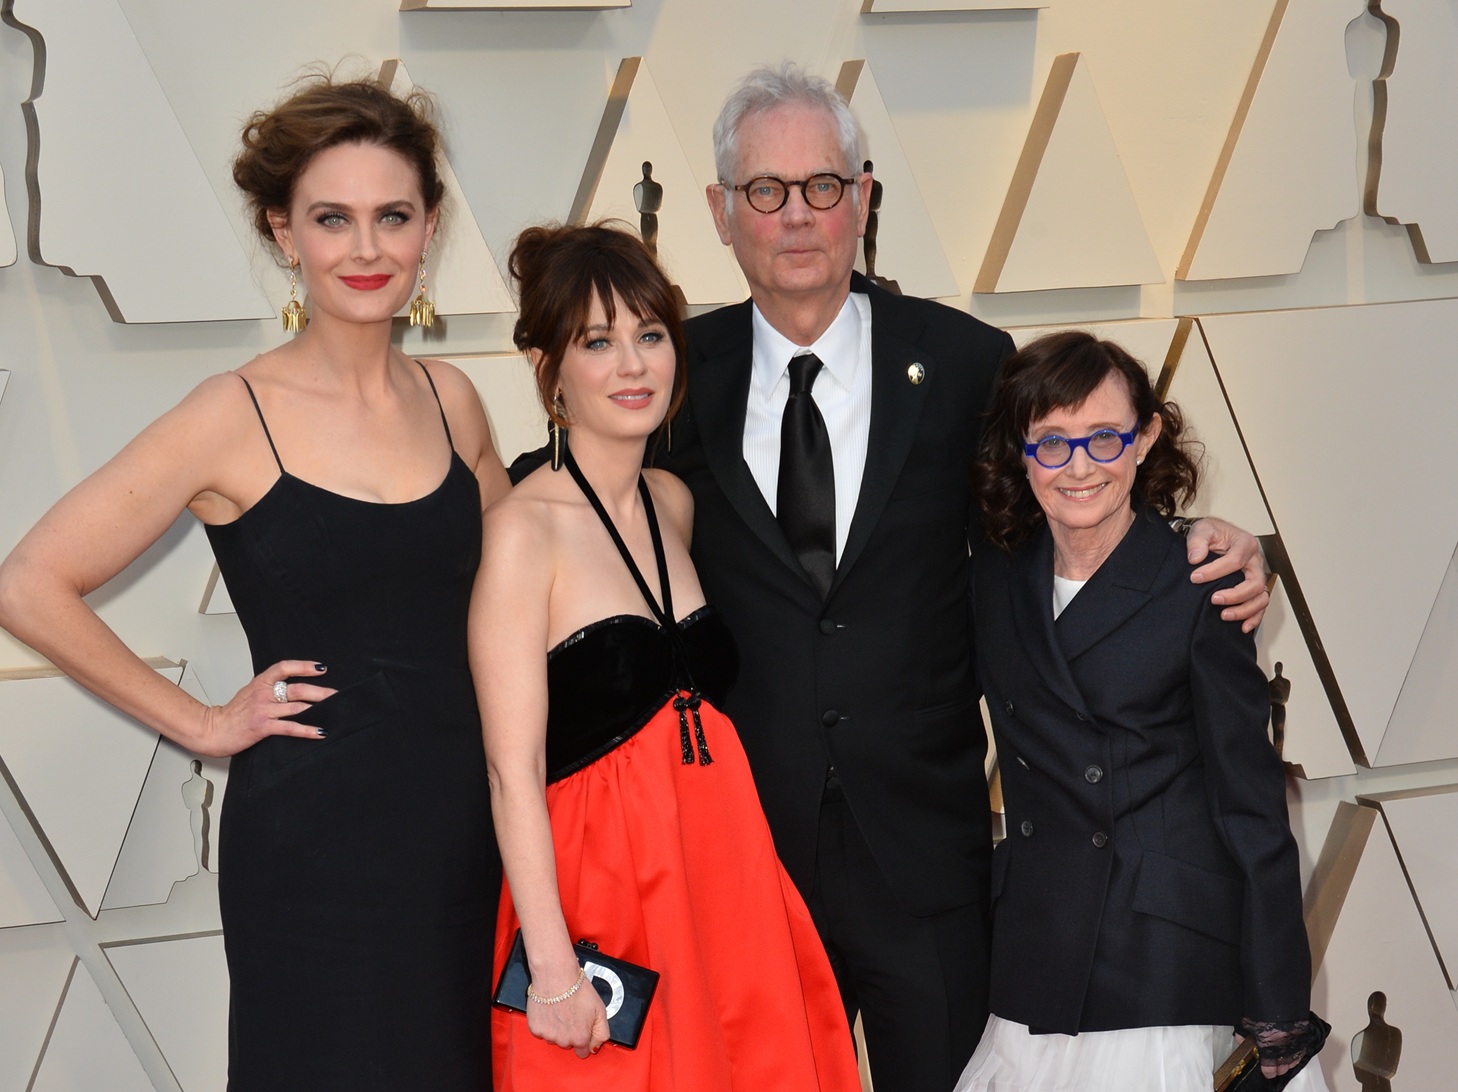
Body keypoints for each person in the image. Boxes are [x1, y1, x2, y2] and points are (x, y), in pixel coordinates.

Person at [644, 63, 1274, 1090]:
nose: (797, 215)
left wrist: (1202, 539)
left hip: (925, 859)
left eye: (823, 185)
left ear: (865, 195)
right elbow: (578, 508)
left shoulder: (967, 361)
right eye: (766, 190)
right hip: (744, 856)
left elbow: (1070, 494)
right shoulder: (668, 375)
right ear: (719, 211)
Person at [0, 75, 509, 1090]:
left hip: (465, 829)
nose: (366, 250)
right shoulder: (233, 414)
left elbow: (514, 597)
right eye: (332, 218)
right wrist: (197, 723)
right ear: (284, 232)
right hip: (314, 847)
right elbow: (29, 583)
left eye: (391, 217)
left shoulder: (454, 401)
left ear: (430, 227)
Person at [472, 221, 860, 1090]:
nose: (633, 365)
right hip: (600, 887)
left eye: (649, 336)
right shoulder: (521, 535)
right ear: (551, 371)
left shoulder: (673, 502)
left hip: (725, 868)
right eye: (598, 343)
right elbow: (512, 772)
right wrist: (554, 967)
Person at [956, 330, 1328, 1091]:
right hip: (1036, 955)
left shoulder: (1198, 583)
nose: (1080, 466)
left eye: (1103, 437)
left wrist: (1278, 1001)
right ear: (1020, 451)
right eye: (1051, 443)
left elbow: (1252, 809)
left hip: (1161, 965)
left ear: (1146, 436)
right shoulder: (995, 579)